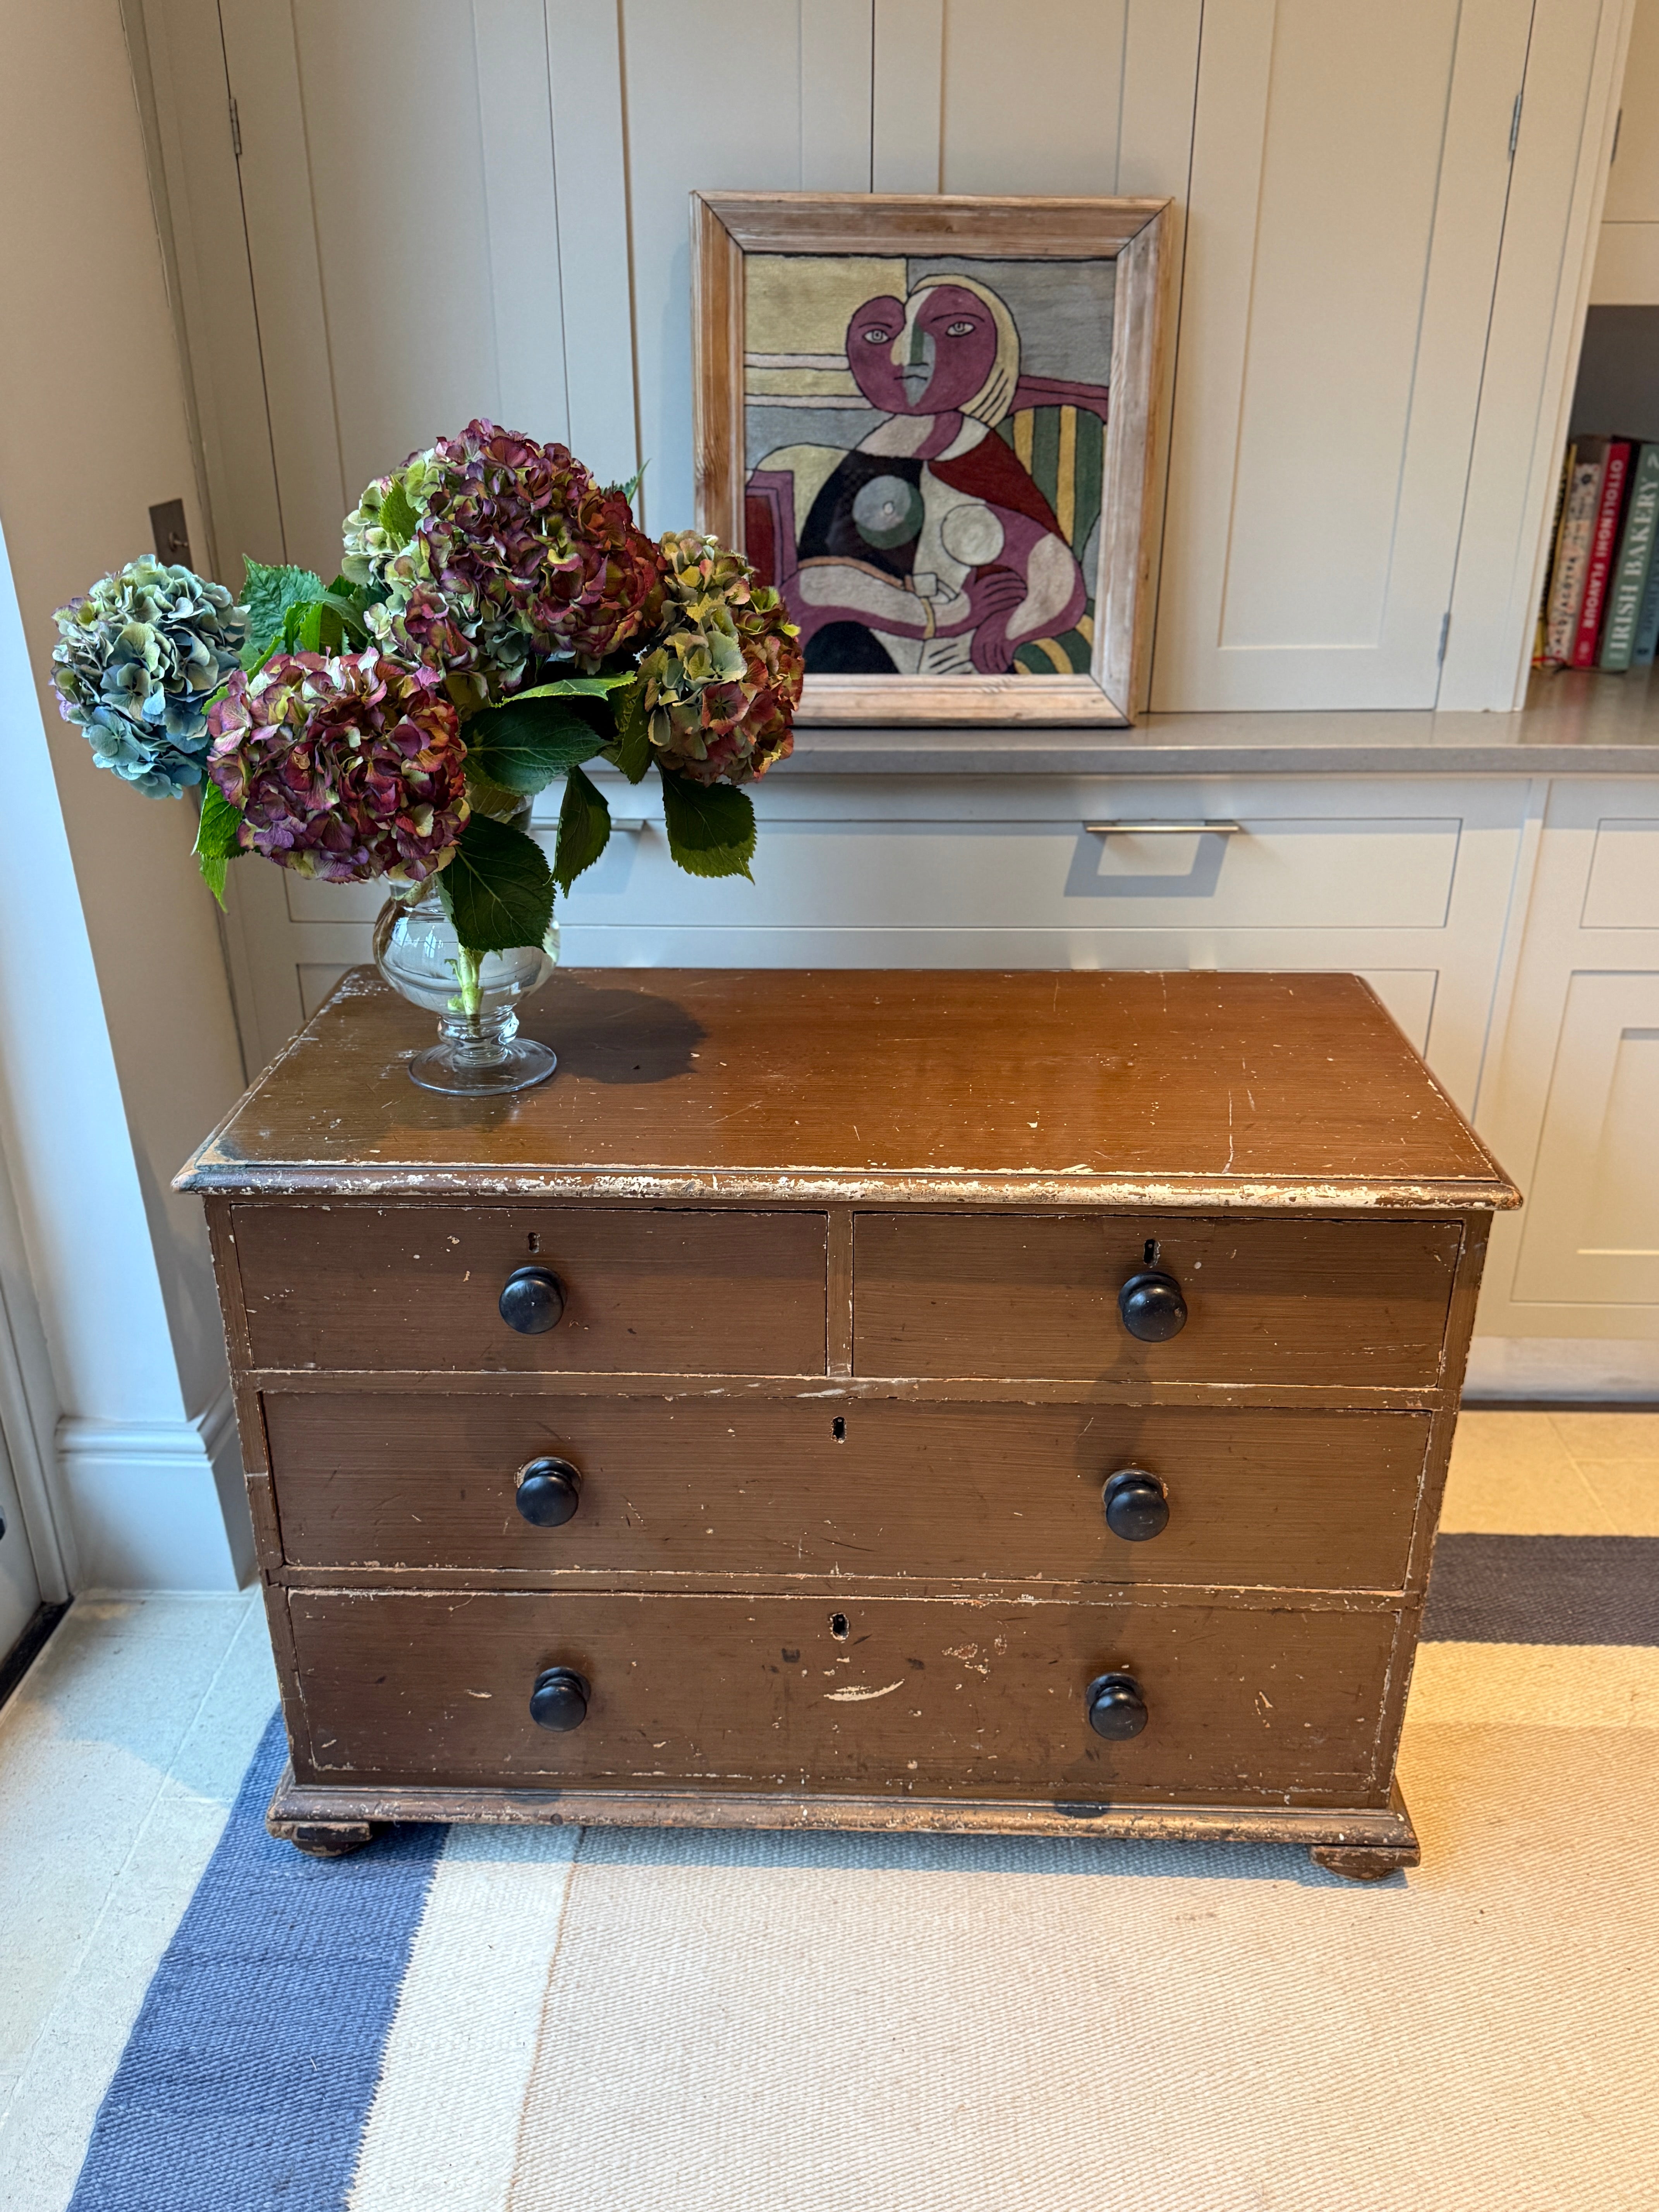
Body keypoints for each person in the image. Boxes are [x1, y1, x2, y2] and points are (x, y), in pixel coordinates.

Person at [756, 274, 1087, 676]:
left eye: (956, 330)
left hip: (957, 663)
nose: (909, 356)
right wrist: (946, 614)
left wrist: (1008, 629)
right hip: (866, 650)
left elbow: (1056, 577)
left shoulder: (975, 454)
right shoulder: (873, 454)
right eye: (880, 335)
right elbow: (815, 586)